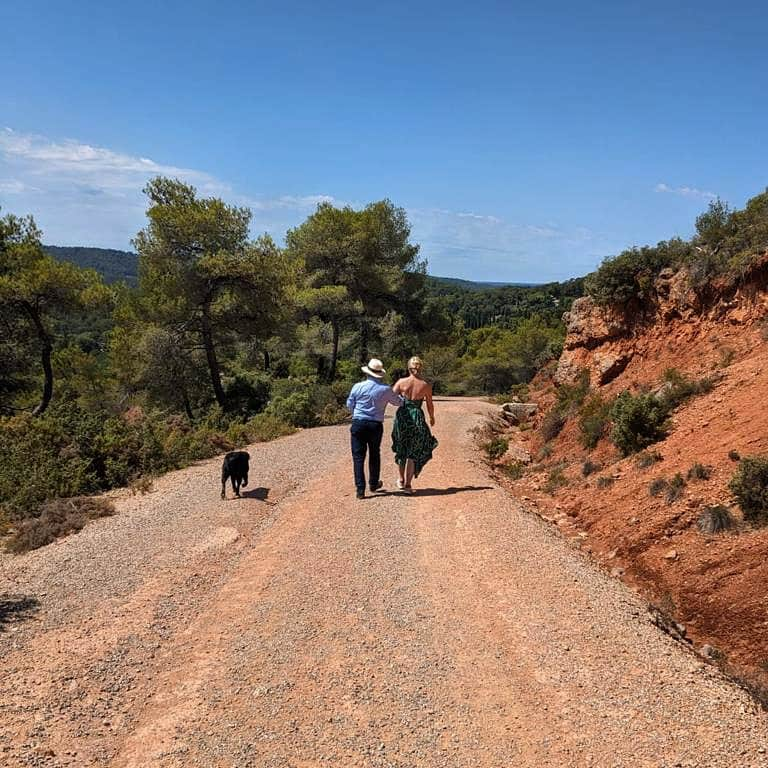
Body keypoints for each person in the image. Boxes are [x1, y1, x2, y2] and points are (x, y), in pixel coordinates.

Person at [346, 358, 403, 499]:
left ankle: (360, 490)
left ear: (368, 372)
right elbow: (399, 402)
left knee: (358, 457)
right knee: (374, 454)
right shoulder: (385, 389)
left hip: (358, 423)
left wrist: (356, 414)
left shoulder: (357, 386)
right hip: (375, 425)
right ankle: (373, 483)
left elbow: (349, 403)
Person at [391, 356, 438, 493]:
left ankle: (401, 479)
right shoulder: (425, 385)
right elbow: (430, 404)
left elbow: (392, 398)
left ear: (408, 367)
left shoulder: (401, 382)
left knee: (402, 448)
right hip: (417, 416)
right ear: (420, 368)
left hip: (403, 416)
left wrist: (402, 400)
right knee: (412, 451)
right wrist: (432, 417)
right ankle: (408, 485)